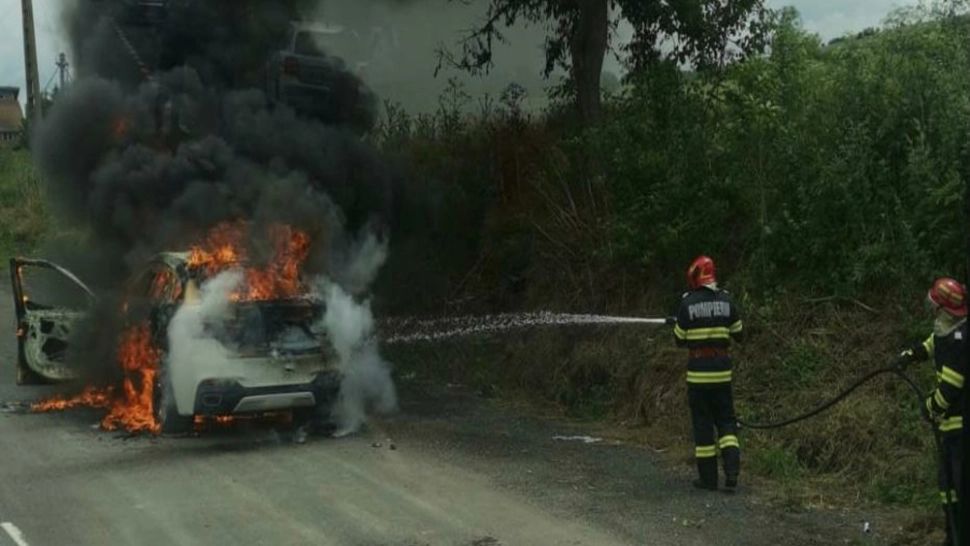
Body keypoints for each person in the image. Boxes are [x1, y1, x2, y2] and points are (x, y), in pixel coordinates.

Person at [896, 277, 966, 546]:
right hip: (950, 430)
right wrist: (910, 355)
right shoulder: (948, 329)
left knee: (959, 491)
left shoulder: (960, 341)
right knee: (947, 490)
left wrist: (929, 408)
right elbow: (933, 343)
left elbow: (950, 389)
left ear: (944, 309)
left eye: (934, 305)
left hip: (960, 430)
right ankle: (951, 535)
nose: (931, 310)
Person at [674, 255, 743, 491]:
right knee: (726, 423)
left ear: (695, 276)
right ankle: (732, 473)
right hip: (722, 374)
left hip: (698, 377)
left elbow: (679, 339)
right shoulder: (727, 300)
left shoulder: (687, 304)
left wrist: (684, 321)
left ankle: (708, 479)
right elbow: (739, 332)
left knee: (703, 427)